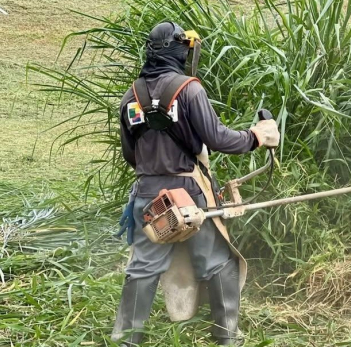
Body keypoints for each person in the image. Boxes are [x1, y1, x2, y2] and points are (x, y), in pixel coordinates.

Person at [111, 21, 280, 346]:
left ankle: (126, 340)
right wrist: (256, 137)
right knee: (218, 263)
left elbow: (130, 155)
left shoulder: (130, 96)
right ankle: (226, 338)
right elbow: (218, 139)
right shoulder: (189, 89)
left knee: (142, 269)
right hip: (188, 196)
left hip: (148, 197)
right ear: (179, 51)